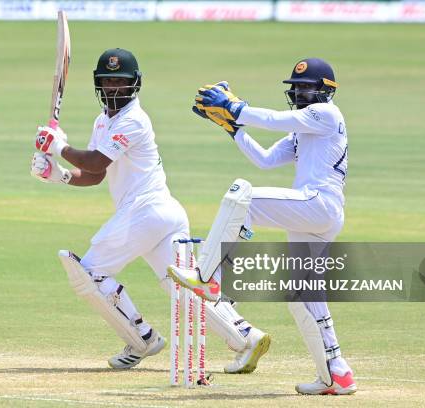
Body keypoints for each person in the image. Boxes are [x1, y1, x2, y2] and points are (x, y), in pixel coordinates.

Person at [31, 48, 270, 373]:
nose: (113, 88)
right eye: (107, 81)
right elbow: (95, 174)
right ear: (98, 85)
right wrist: (57, 175)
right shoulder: (104, 121)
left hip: (146, 210)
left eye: (120, 81)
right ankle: (247, 337)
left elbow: (96, 161)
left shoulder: (134, 121)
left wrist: (58, 146)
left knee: (89, 272)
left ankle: (142, 339)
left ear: (135, 84)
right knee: (184, 286)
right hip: (160, 214)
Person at [168, 58, 357, 394]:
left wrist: (233, 106)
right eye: (296, 87)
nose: (299, 92)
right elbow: (266, 160)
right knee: (303, 295)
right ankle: (335, 373)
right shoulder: (303, 128)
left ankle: (210, 276)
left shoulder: (327, 115)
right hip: (314, 212)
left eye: (307, 87)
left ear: (326, 91)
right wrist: (232, 127)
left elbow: (273, 118)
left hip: (319, 203)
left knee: (245, 198)